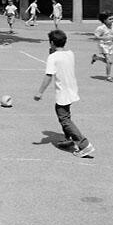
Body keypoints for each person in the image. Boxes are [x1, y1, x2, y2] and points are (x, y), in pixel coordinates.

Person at [34, 29, 95, 158]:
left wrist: (40, 92)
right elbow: (59, 59)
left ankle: (84, 145)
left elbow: (48, 76)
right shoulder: (70, 53)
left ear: (51, 43)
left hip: (63, 92)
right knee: (65, 114)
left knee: (65, 119)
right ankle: (69, 138)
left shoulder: (52, 57)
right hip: (72, 89)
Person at [92, 11, 113, 82]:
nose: (112, 20)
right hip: (103, 45)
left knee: (110, 62)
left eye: (112, 19)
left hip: (109, 44)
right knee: (109, 61)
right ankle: (108, 76)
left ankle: (96, 57)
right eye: (110, 19)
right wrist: (103, 38)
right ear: (104, 20)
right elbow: (96, 36)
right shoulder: (101, 28)